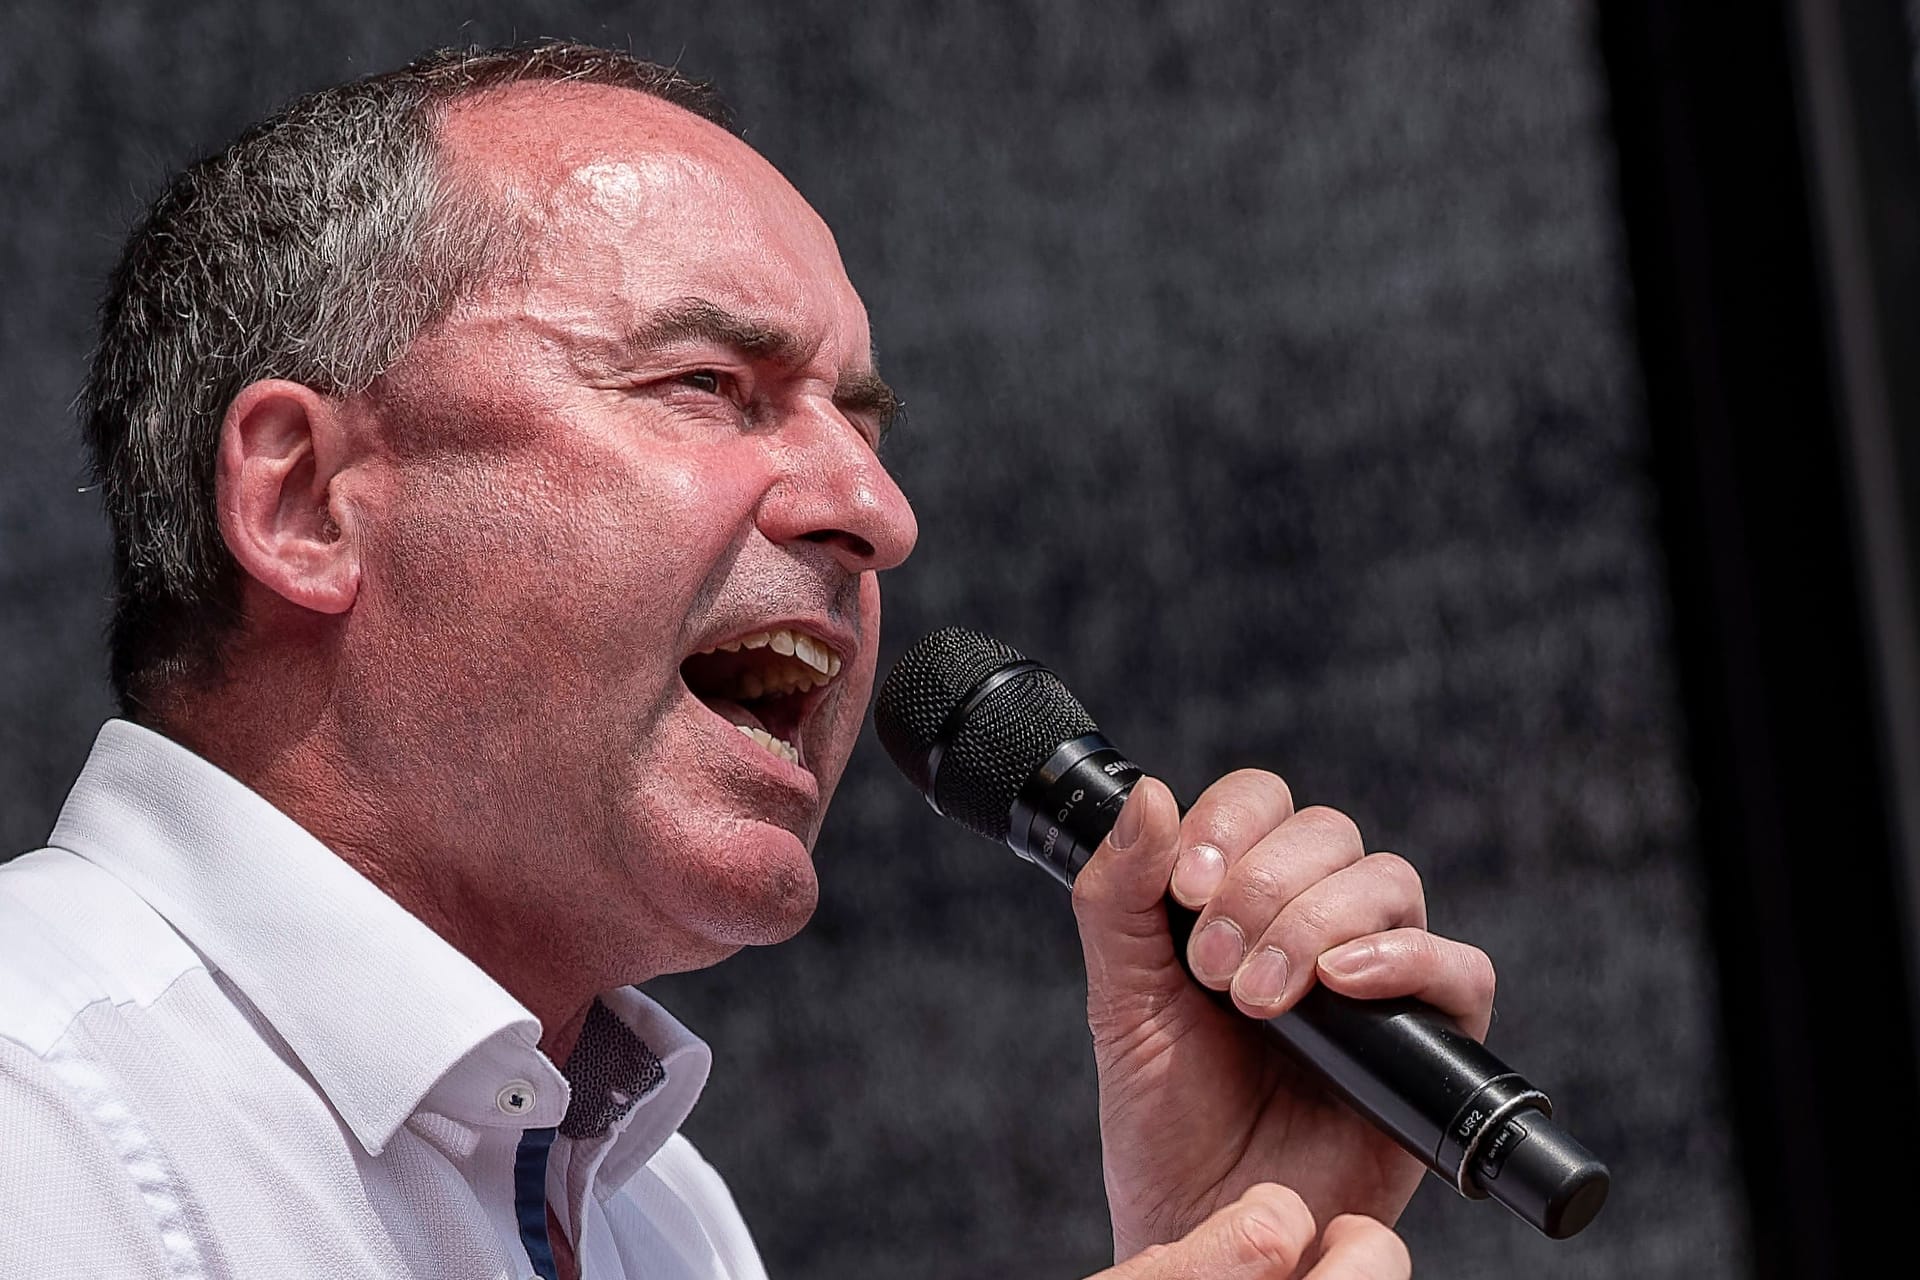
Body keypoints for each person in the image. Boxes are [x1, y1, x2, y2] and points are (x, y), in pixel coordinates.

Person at [0, 41, 1496, 1280]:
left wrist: (1224, 1239)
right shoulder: (40, 1104)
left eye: (863, 423)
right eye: (713, 384)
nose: (875, 513)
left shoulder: (661, 1214)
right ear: (307, 501)